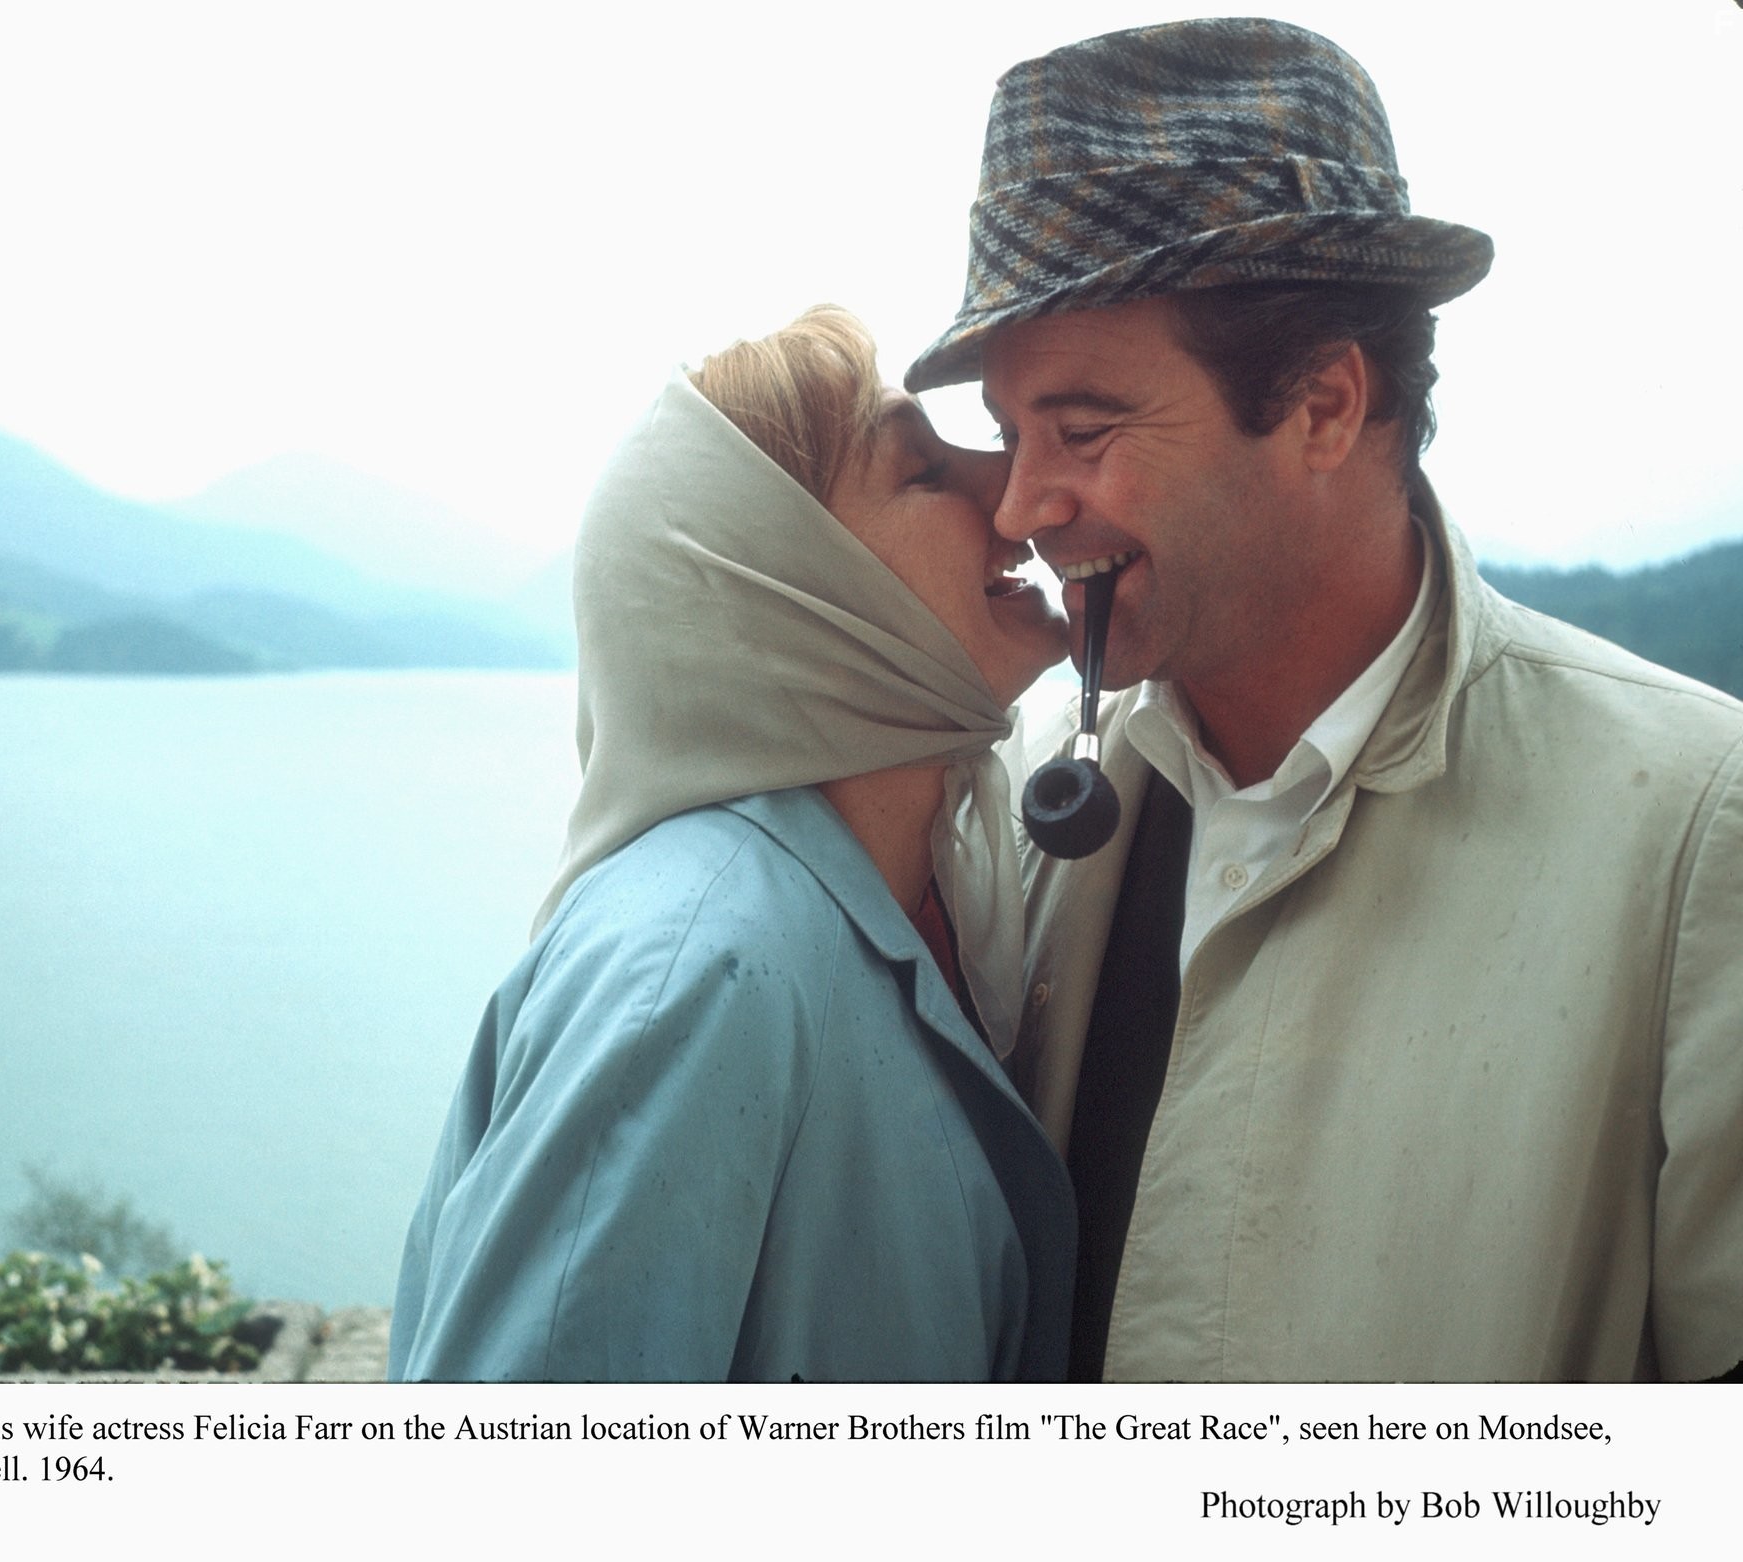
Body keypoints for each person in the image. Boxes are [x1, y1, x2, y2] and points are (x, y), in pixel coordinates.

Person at [905, 17, 1743, 1382]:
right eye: (1010, 433)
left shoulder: (1702, 820)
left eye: (1085, 428)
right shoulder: (1059, 794)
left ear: (1324, 405)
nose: (1020, 504)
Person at [390, 307, 1075, 1381]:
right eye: (922, 472)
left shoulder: (908, 903)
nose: (1010, 485)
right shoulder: (697, 968)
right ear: (795, 591)